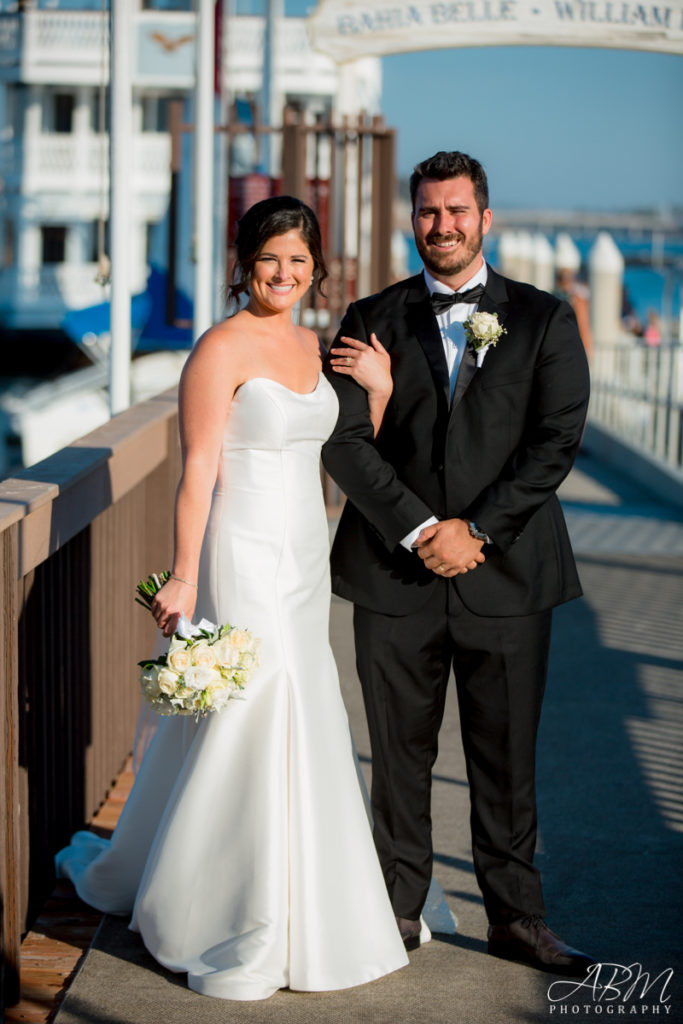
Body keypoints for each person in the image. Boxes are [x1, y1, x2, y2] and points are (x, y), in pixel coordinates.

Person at [56, 195, 408, 1000]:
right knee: (255, 700)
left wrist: (379, 393)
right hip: (241, 550)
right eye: (269, 260)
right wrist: (183, 575)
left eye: (298, 259)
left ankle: (303, 907)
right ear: (245, 266)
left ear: (316, 266)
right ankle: (227, 912)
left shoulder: (314, 345)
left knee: (302, 700)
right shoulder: (219, 348)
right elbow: (199, 470)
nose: (284, 273)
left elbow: (345, 455)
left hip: (302, 554)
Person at [322, 151, 596, 976]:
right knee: (397, 758)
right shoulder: (369, 316)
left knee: (505, 759)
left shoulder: (544, 318)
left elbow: (557, 441)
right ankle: (394, 913)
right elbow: (345, 442)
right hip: (393, 576)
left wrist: (474, 530)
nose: (440, 225)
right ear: (413, 218)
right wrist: (416, 529)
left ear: (484, 217)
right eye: (427, 212)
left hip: (506, 577)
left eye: (455, 211)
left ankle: (516, 918)